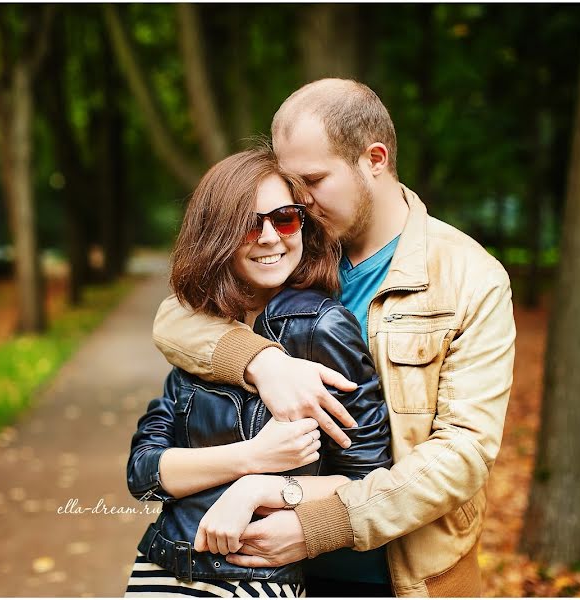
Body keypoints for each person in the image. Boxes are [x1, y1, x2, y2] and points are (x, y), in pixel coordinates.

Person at [152, 79, 517, 597]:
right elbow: (176, 316)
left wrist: (319, 527)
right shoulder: (289, 241)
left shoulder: (468, 277)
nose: (298, 202)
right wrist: (262, 362)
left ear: (374, 159)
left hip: (403, 578)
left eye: (314, 180)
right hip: (265, 576)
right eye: (290, 183)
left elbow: (464, 454)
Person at [125, 146, 392, 597]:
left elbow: (367, 479)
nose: (270, 236)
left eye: (284, 218)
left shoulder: (320, 327)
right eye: (249, 223)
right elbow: (144, 473)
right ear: (215, 236)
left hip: (253, 581)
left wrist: (259, 491)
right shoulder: (203, 328)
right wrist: (252, 461)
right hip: (160, 567)